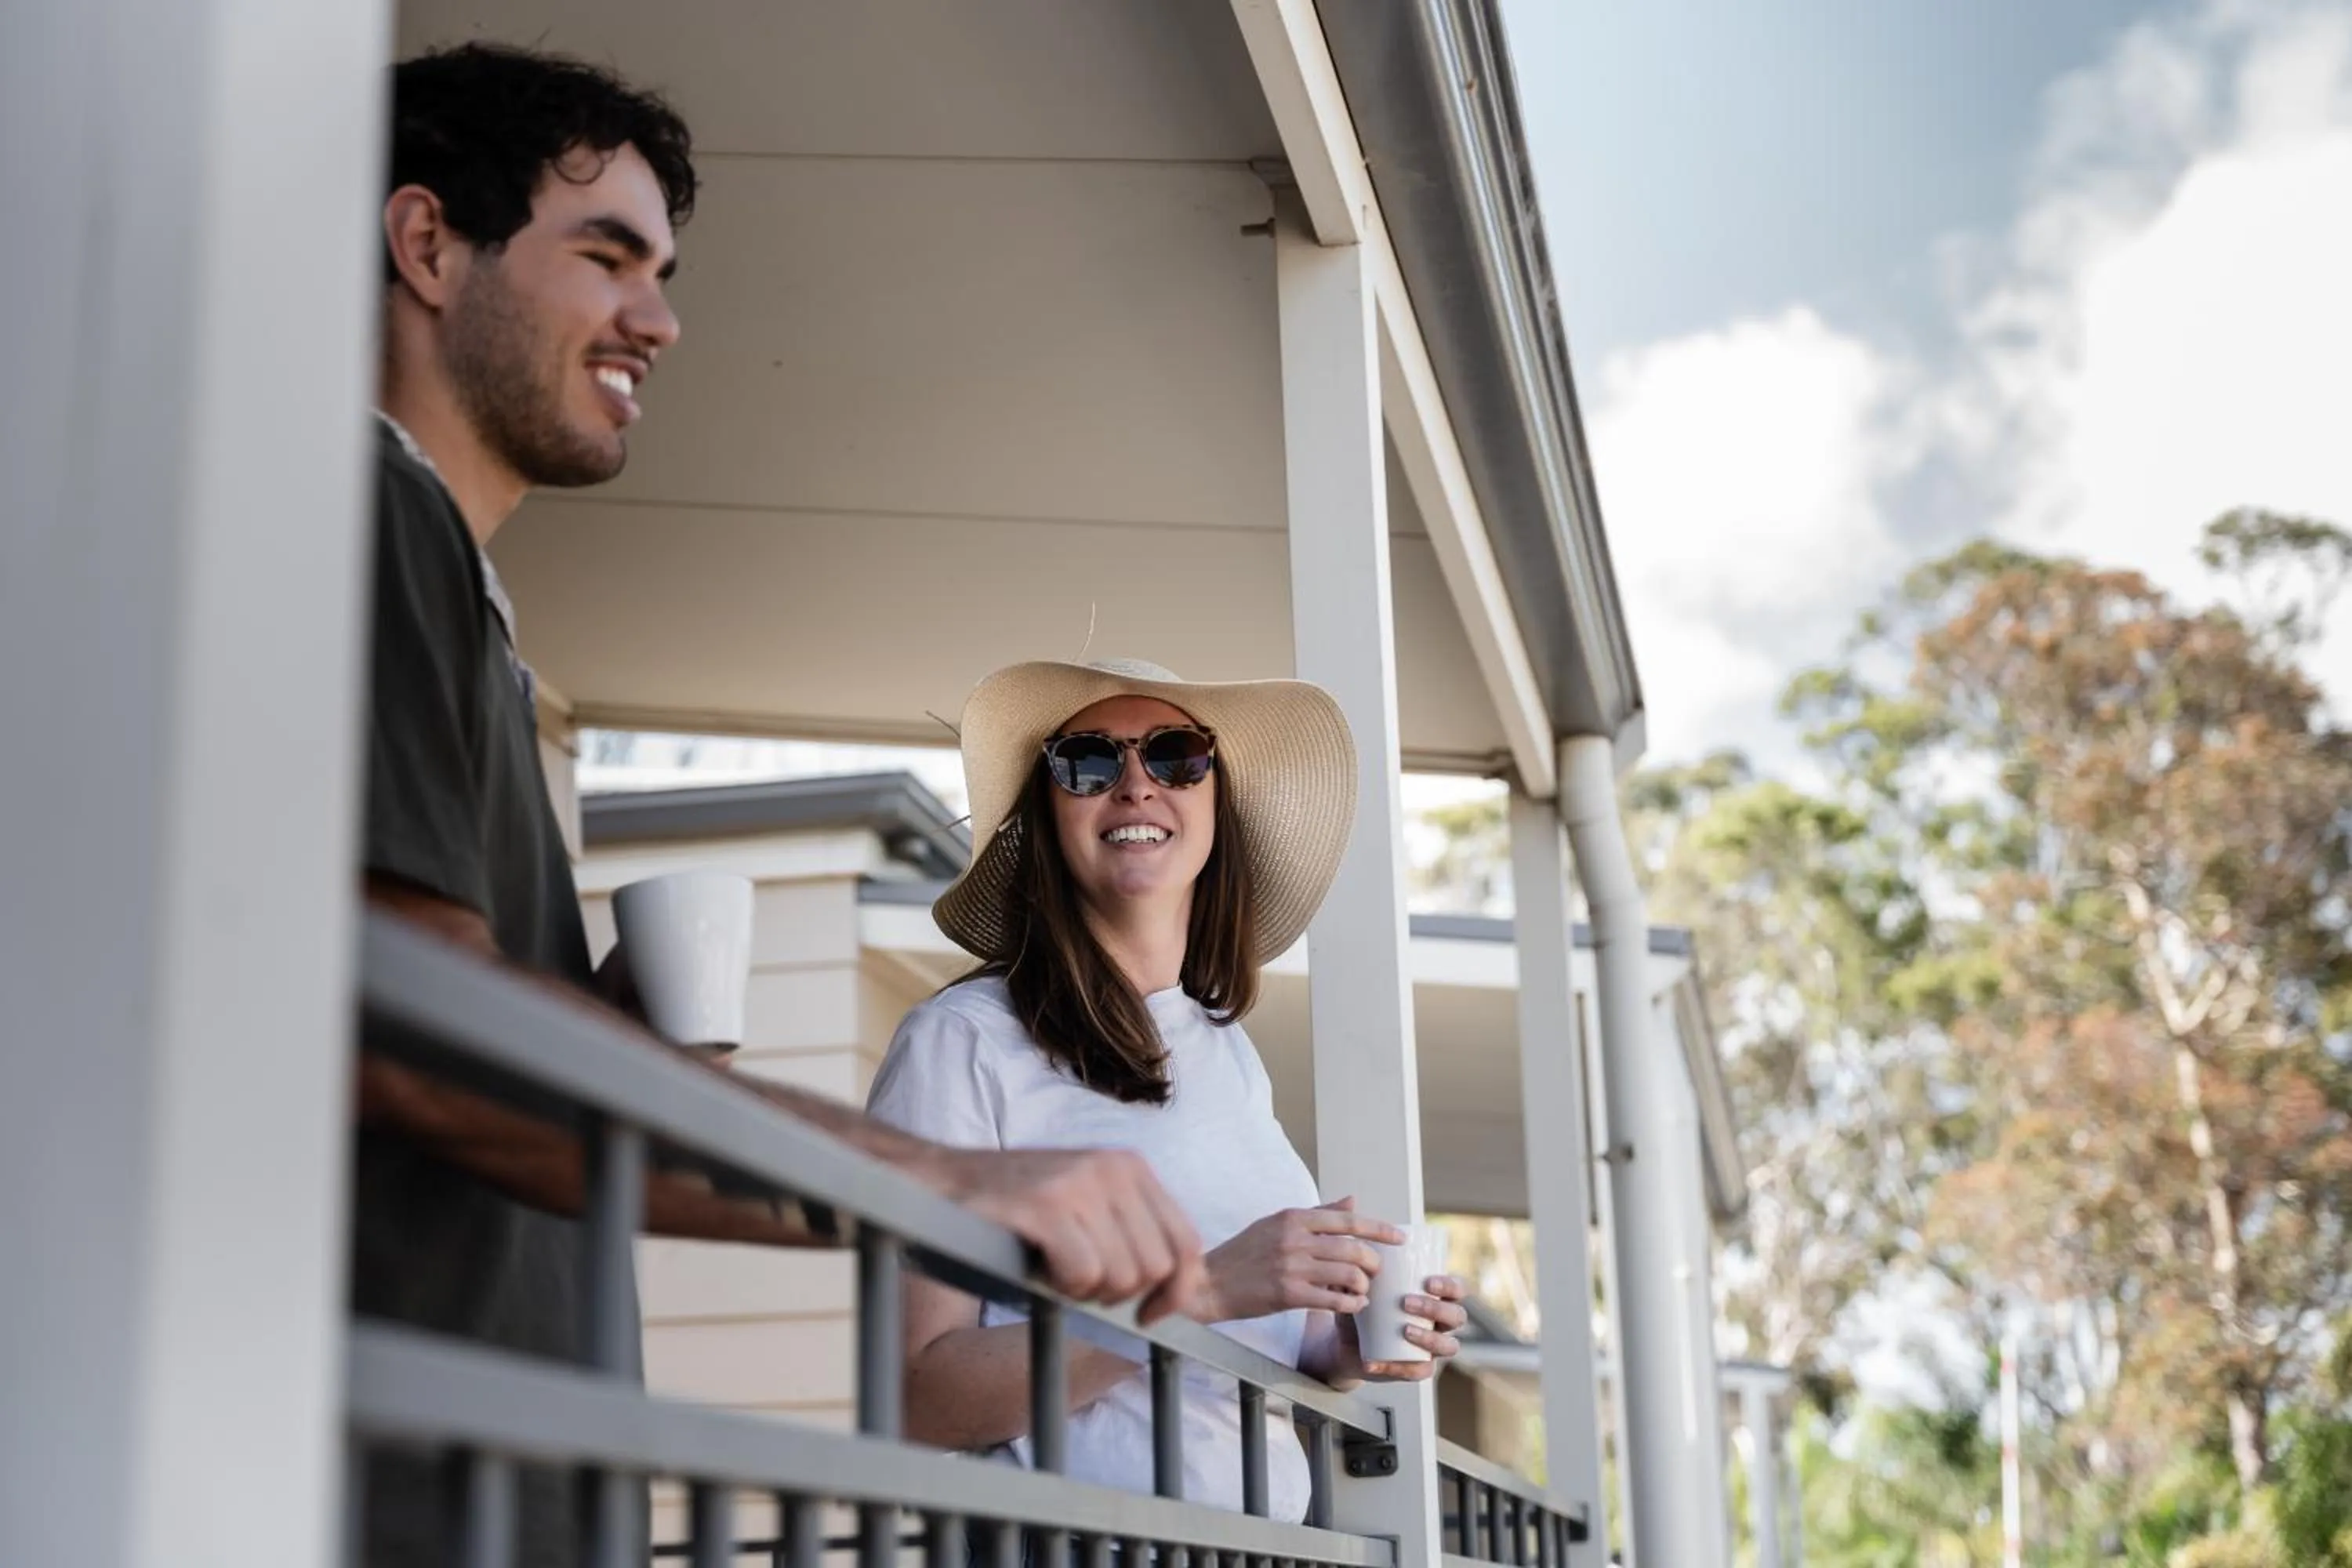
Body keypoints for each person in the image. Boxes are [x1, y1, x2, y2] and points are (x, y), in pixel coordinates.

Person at [357, 46, 1203, 1566]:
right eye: (604, 255)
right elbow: (413, 1036)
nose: (661, 319)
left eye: (664, 270)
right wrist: (948, 1184)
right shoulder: (369, 517)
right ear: (427, 245)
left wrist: (602, 1022)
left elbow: (442, 1014)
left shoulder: (462, 601)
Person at [867, 659, 1469, 1519]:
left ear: (1217, 802)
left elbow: (1253, 1341)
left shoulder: (1225, 1053)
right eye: (1088, 760)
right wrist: (1200, 1290)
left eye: (1178, 755)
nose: (1138, 785)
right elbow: (914, 1392)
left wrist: (1343, 1339)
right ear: (1047, 812)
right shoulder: (962, 1042)